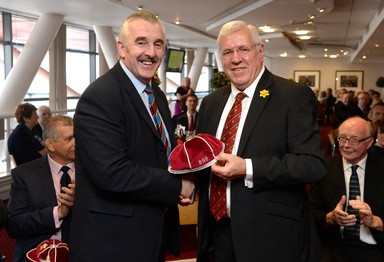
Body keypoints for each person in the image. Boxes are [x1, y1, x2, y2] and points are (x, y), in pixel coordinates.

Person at [195, 20, 326, 261]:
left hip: (271, 237)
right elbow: (203, 159)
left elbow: (312, 164)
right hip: (217, 233)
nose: (236, 59)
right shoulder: (211, 103)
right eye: (228, 52)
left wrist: (247, 167)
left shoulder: (292, 96)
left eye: (244, 49)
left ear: (260, 51)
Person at [69, 11, 195, 262]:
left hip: (149, 234)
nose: (151, 52)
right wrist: (177, 186)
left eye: (158, 44)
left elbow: (161, 154)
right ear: (121, 48)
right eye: (141, 42)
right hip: (112, 244)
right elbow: (113, 173)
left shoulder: (155, 94)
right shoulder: (100, 96)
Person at [309, 117, 384, 261]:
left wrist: (375, 221)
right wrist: (330, 218)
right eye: (342, 138)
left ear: (369, 142)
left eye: (354, 140)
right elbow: (310, 212)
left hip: (377, 246)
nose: (345, 145)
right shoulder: (324, 169)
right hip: (333, 246)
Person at [6, 115, 76, 262]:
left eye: (77, 137)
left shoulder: (92, 170)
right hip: (39, 253)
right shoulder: (24, 175)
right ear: (50, 145)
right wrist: (58, 213)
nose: (77, 143)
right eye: (69, 139)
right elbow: (14, 224)